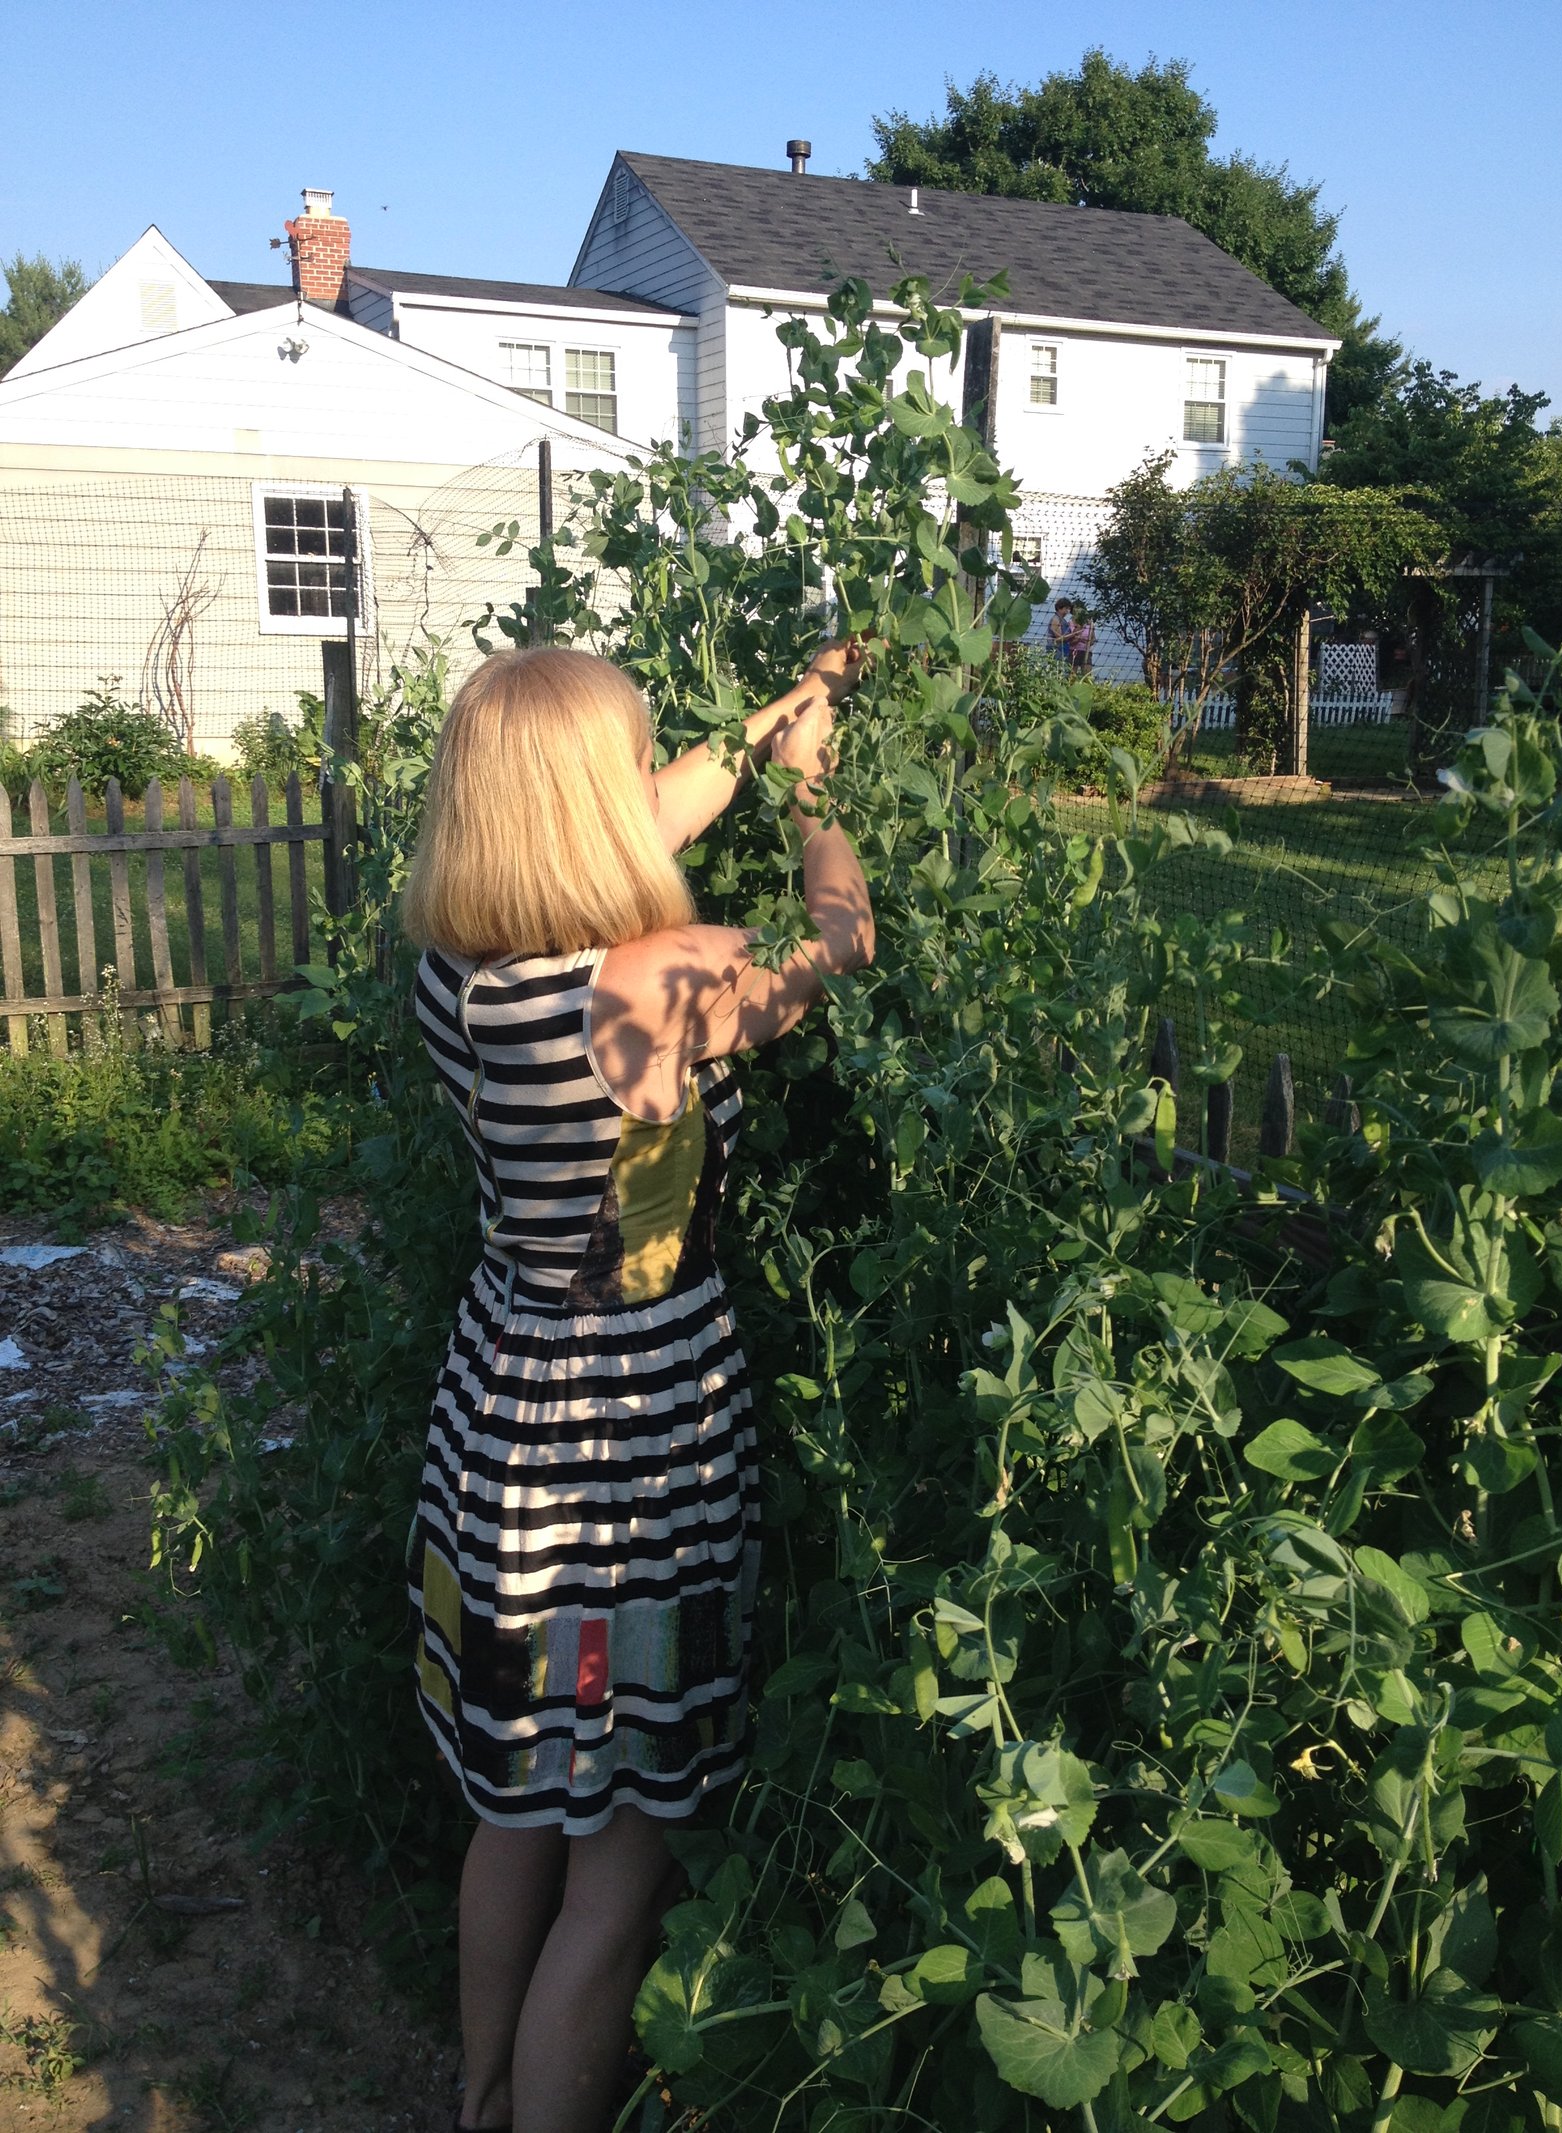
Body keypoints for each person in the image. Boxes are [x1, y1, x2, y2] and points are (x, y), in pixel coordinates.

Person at [400, 639, 874, 2133]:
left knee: (515, 1817)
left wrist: (776, 704)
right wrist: (814, 798)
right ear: (581, 802)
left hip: (504, 1406)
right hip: (637, 1433)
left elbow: (636, 825)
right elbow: (843, 943)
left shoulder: (455, 973)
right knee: (620, 1856)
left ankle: (479, 2097)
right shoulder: (663, 980)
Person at [1069, 606, 1096, 673]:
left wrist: (1088, 642)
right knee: (1072, 674)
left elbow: (1093, 639)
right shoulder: (1070, 624)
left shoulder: (1090, 626)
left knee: (1087, 673)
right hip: (1073, 651)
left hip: (1086, 651)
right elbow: (1069, 640)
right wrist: (1078, 638)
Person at [1046, 596, 1072, 663]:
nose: (1067, 611)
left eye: (1068, 609)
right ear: (1059, 608)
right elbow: (1059, 637)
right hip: (1056, 650)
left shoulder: (1063, 620)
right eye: (1066, 608)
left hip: (1064, 649)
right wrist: (1074, 634)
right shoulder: (1056, 619)